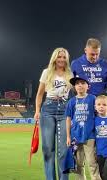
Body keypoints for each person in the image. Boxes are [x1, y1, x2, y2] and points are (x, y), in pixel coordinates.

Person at [34, 47, 73, 180]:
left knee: (64, 150)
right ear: (54, 58)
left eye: (64, 57)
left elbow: (75, 93)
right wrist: (37, 111)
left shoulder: (70, 74)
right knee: (48, 149)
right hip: (48, 108)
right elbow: (39, 94)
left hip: (65, 109)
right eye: (59, 56)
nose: (61, 59)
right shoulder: (47, 72)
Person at [65, 74, 102, 180]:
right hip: (75, 137)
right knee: (78, 164)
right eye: (77, 84)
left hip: (89, 135)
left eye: (83, 83)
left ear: (88, 86)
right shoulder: (71, 101)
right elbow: (68, 119)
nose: (80, 85)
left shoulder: (93, 99)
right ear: (74, 87)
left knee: (92, 163)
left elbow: (98, 115)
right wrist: (68, 136)